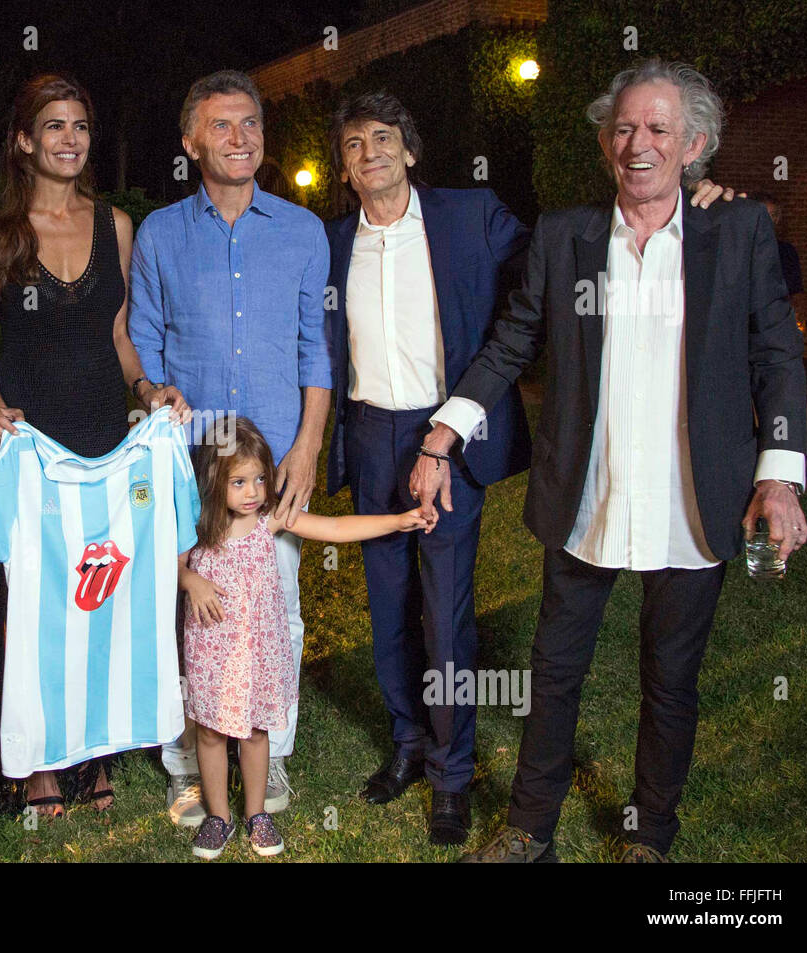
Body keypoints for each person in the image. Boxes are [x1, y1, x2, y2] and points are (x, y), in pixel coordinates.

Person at [419, 60, 807, 862]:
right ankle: (530, 828)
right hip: (587, 499)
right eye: (625, 127)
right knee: (553, 672)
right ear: (605, 142)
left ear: (693, 143)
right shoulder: (566, 236)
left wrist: (779, 472)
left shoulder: (735, 231)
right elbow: (513, 340)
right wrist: (443, 433)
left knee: (670, 684)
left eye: (659, 129)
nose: (640, 143)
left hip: (691, 503)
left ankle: (651, 836)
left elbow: (776, 353)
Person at [0, 73, 188, 817]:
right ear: (24, 139)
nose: (70, 139)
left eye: (80, 127)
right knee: (26, 599)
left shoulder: (115, 225)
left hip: (101, 439)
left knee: (102, 589)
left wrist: (147, 392)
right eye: (53, 126)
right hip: (29, 445)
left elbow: (118, 335)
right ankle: (30, 762)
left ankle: (94, 752)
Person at [322, 91, 532, 844]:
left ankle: (452, 772)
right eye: (354, 144)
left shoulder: (470, 215)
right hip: (368, 429)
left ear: (410, 151)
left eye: (384, 137)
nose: (370, 151)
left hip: (446, 431)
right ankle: (408, 743)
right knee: (386, 610)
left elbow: (550, 266)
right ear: (344, 168)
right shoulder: (334, 242)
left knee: (444, 613)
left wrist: (696, 196)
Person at [130, 70, 332, 826]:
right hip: (189, 464)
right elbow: (142, 334)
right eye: (222, 126)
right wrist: (152, 391)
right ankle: (191, 760)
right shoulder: (159, 233)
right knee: (191, 611)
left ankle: (267, 754)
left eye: (250, 123)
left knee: (276, 606)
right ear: (190, 142)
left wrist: (309, 443)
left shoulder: (303, 231)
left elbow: (317, 347)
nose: (241, 137)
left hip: (274, 460)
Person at [180, 418, 430, 858]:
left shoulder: (270, 521)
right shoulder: (197, 527)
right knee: (212, 734)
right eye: (239, 481)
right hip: (212, 653)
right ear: (214, 480)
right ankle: (219, 816)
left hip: (258, 651)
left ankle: (257, 813)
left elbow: (335, 529)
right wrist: (190, 580)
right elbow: (167, 562)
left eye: (260, 478)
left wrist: (398, 520)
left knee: (256, 732)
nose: (253, 490)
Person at [748, 190, 803, 302]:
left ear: (777, 219)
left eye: (772, 215)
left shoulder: (786, 251)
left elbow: (795, 291)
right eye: (762, 215)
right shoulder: (738, 250)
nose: (766, 221)